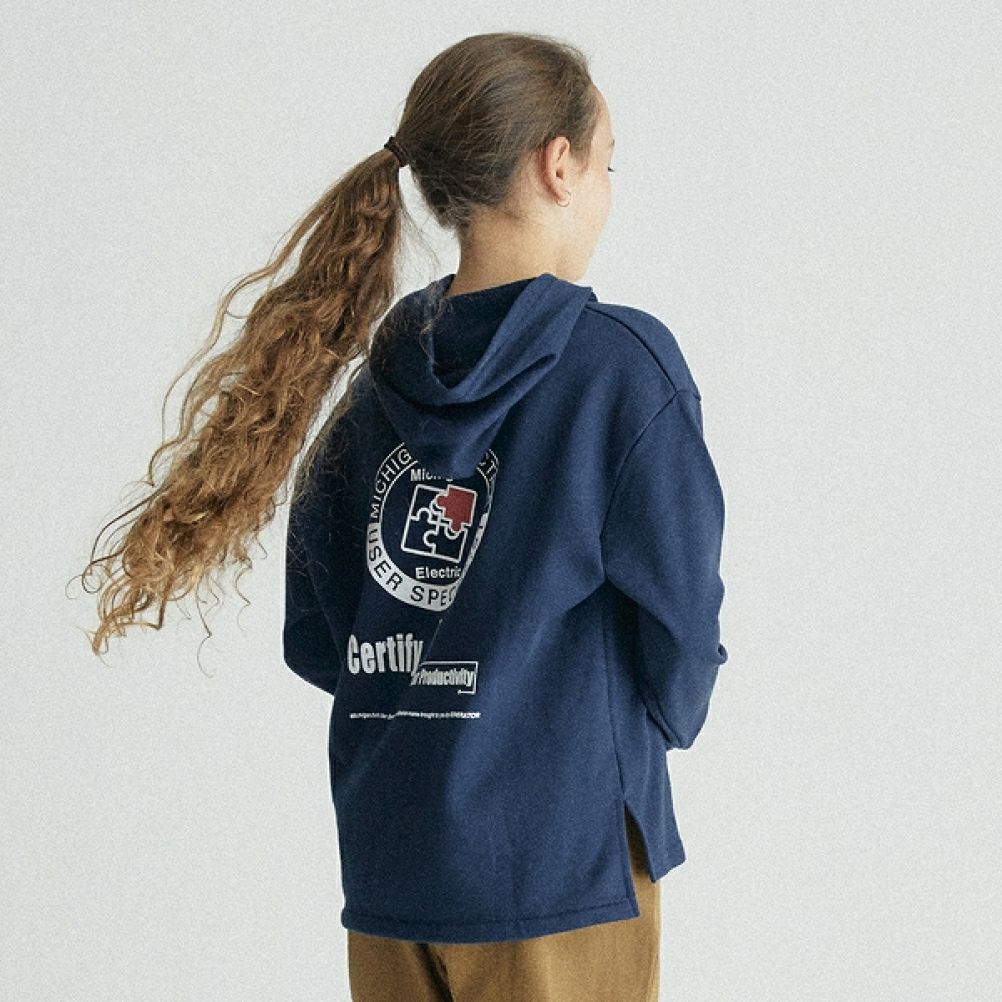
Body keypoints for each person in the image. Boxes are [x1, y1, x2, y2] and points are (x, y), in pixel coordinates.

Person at [77, 30, 728, 1002]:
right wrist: (633, 730)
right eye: (607, 164)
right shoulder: (618, 371)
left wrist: (424, 694)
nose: (605, 189)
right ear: (559, 165)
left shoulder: (377, 387)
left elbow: (317, 637)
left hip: (393, 866)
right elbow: (682, 622)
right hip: (562, 863)